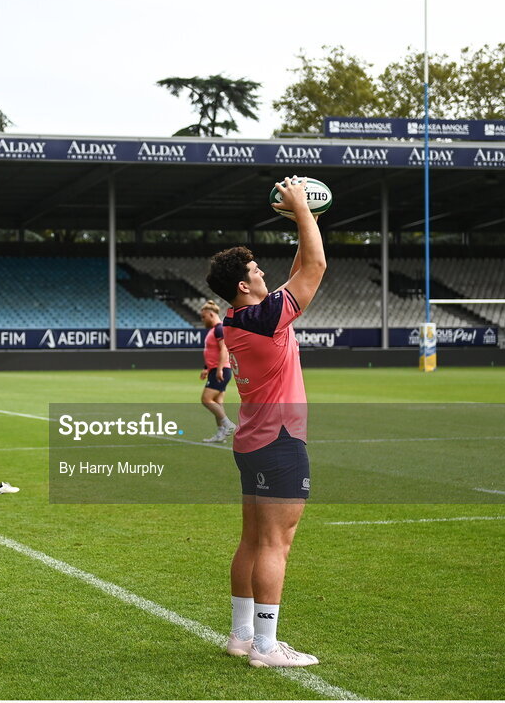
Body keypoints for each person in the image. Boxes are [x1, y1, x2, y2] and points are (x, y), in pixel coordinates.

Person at [205, 177, 326, 668]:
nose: (264, 274)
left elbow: (299, 267)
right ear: (243, 285)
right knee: (277, 542)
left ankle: (240, 636)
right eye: (256, 270)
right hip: (280, 441)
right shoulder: (264, 318)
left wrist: (306, 218)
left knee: (253, 540)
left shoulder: (242, 320)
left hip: (254, 440)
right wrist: (301, 210)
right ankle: (266, 647)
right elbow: (314, 267)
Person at [198, 300, 237, 443]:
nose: (203, 320)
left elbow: (224, 349)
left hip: (221, 370)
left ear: (210, 314)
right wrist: (206, 368)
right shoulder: (214, 330)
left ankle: (228, 424)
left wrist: (219, 369)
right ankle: (221, 433)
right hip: (216, 369)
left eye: (203, 317)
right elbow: (211, 352)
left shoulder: (219, 328)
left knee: (206, 399)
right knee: (217, 401)